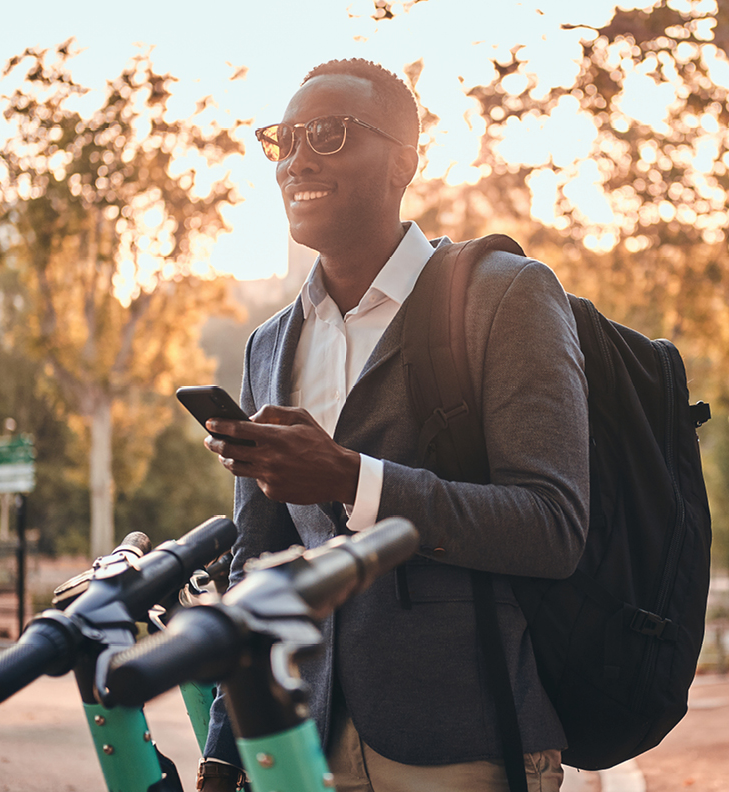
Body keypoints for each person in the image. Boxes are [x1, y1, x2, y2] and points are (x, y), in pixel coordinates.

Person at [198, 58, 589, 792]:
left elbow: (552, 525)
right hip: (300, 745)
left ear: (405, 161)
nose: (298, 158)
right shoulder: (267, 343)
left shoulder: (505, 298)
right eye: (283, 140)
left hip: (468, 744)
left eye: (331, 133)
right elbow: (258, 559)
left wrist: (354, 479)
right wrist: (226, 748)